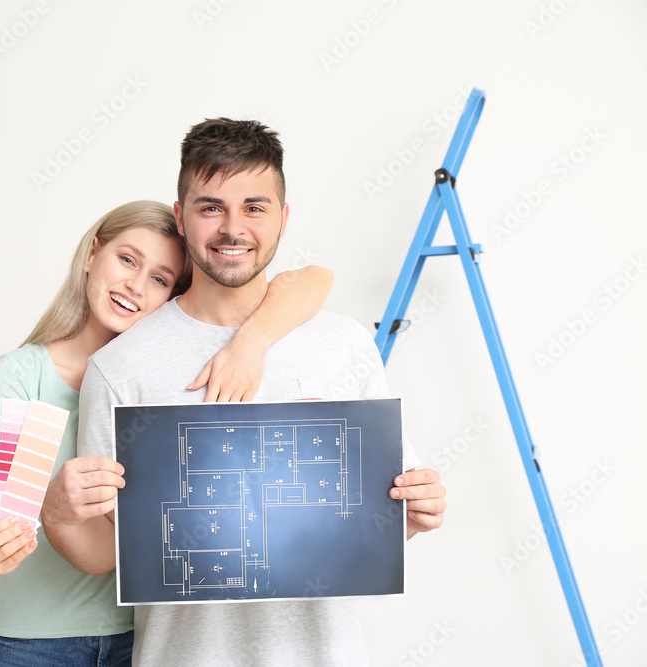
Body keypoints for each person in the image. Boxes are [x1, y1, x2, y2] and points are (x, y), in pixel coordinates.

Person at [43, 119, 448, 666]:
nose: (233, 228)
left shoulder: (345, 345)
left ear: (283, 219)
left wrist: (415, 515)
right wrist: (58, 512)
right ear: (181, 218)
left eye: (254, 207)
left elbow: (378, 525)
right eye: (211, 207)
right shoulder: (120, 368)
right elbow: (113, 551)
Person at [0, 199, 335, 666]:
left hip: (137, 638)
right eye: (127, 260)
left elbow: (315, 279)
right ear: (91, 255)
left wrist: (251, 343)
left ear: (174, 297)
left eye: (159, 279)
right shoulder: (20, 376)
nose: (135, 287)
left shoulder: (159, 378)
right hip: (34, 641)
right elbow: (6, 515)